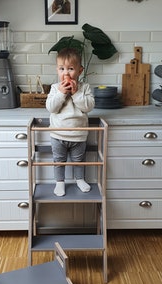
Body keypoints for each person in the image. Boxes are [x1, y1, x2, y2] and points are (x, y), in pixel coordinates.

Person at [46, 48, 95, 196]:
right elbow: (51, 108)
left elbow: (88, 106)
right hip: (58, 134)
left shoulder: (84, 88)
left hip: (79, 135)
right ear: (57, 71)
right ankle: (59, 183)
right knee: (58, 161)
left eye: (71, 69)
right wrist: (62, 93)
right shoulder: (55, 88)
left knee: (79, 161)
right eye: (62, 69)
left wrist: (76, 93)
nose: (66, 73)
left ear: (80, 71)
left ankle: (80, 180)